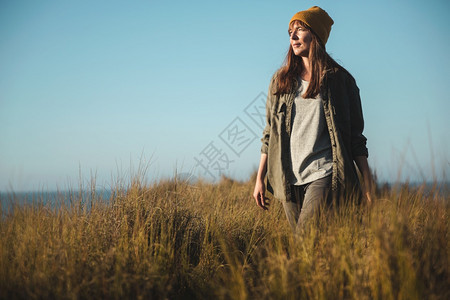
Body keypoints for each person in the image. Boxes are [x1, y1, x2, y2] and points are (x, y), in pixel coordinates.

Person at [252, 6, 373, 233]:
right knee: (313, 250)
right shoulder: (281, 81)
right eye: (290, 31)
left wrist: (366, 179)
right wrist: (260, 178)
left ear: (315, 35)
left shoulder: (341, 81)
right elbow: (269, 132)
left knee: (302, 241)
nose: (293, 36)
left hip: (324, 172)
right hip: (289, 177)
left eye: (300, 29)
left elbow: (357, 137)